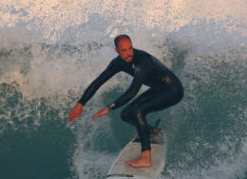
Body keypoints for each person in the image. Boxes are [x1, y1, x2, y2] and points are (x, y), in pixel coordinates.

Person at [68, 35, 184, 168]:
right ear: (117, 51)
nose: (129, 53)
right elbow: (98, 81)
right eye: (124, 50)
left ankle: (146, 157)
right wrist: (80, 104)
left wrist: (110, 107)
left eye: (130, 48)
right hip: (158, 89)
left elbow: (132, 92)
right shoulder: (117, 63)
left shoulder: (143, 61)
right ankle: (152, 133)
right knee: (126, 114)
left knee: (138, 111)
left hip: (173, 90)